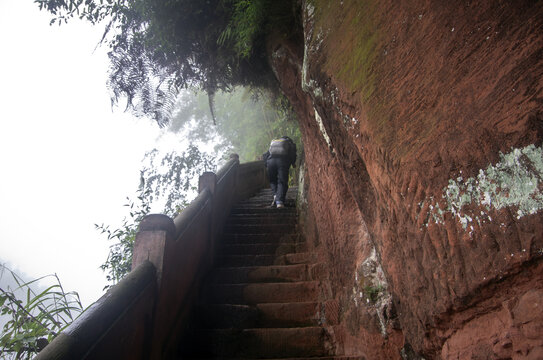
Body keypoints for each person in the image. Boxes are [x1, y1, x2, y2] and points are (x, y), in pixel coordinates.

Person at [263, 136, 297, 208]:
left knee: (272, 181)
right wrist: (293, 163)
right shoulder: (289, 143)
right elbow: (293, 154)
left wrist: (266, 164)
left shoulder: (274, 142)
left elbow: (266, 155)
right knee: (282, 182)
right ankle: (279, 202)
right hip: (282, 162)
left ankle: (276, 195)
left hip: (270, 162)